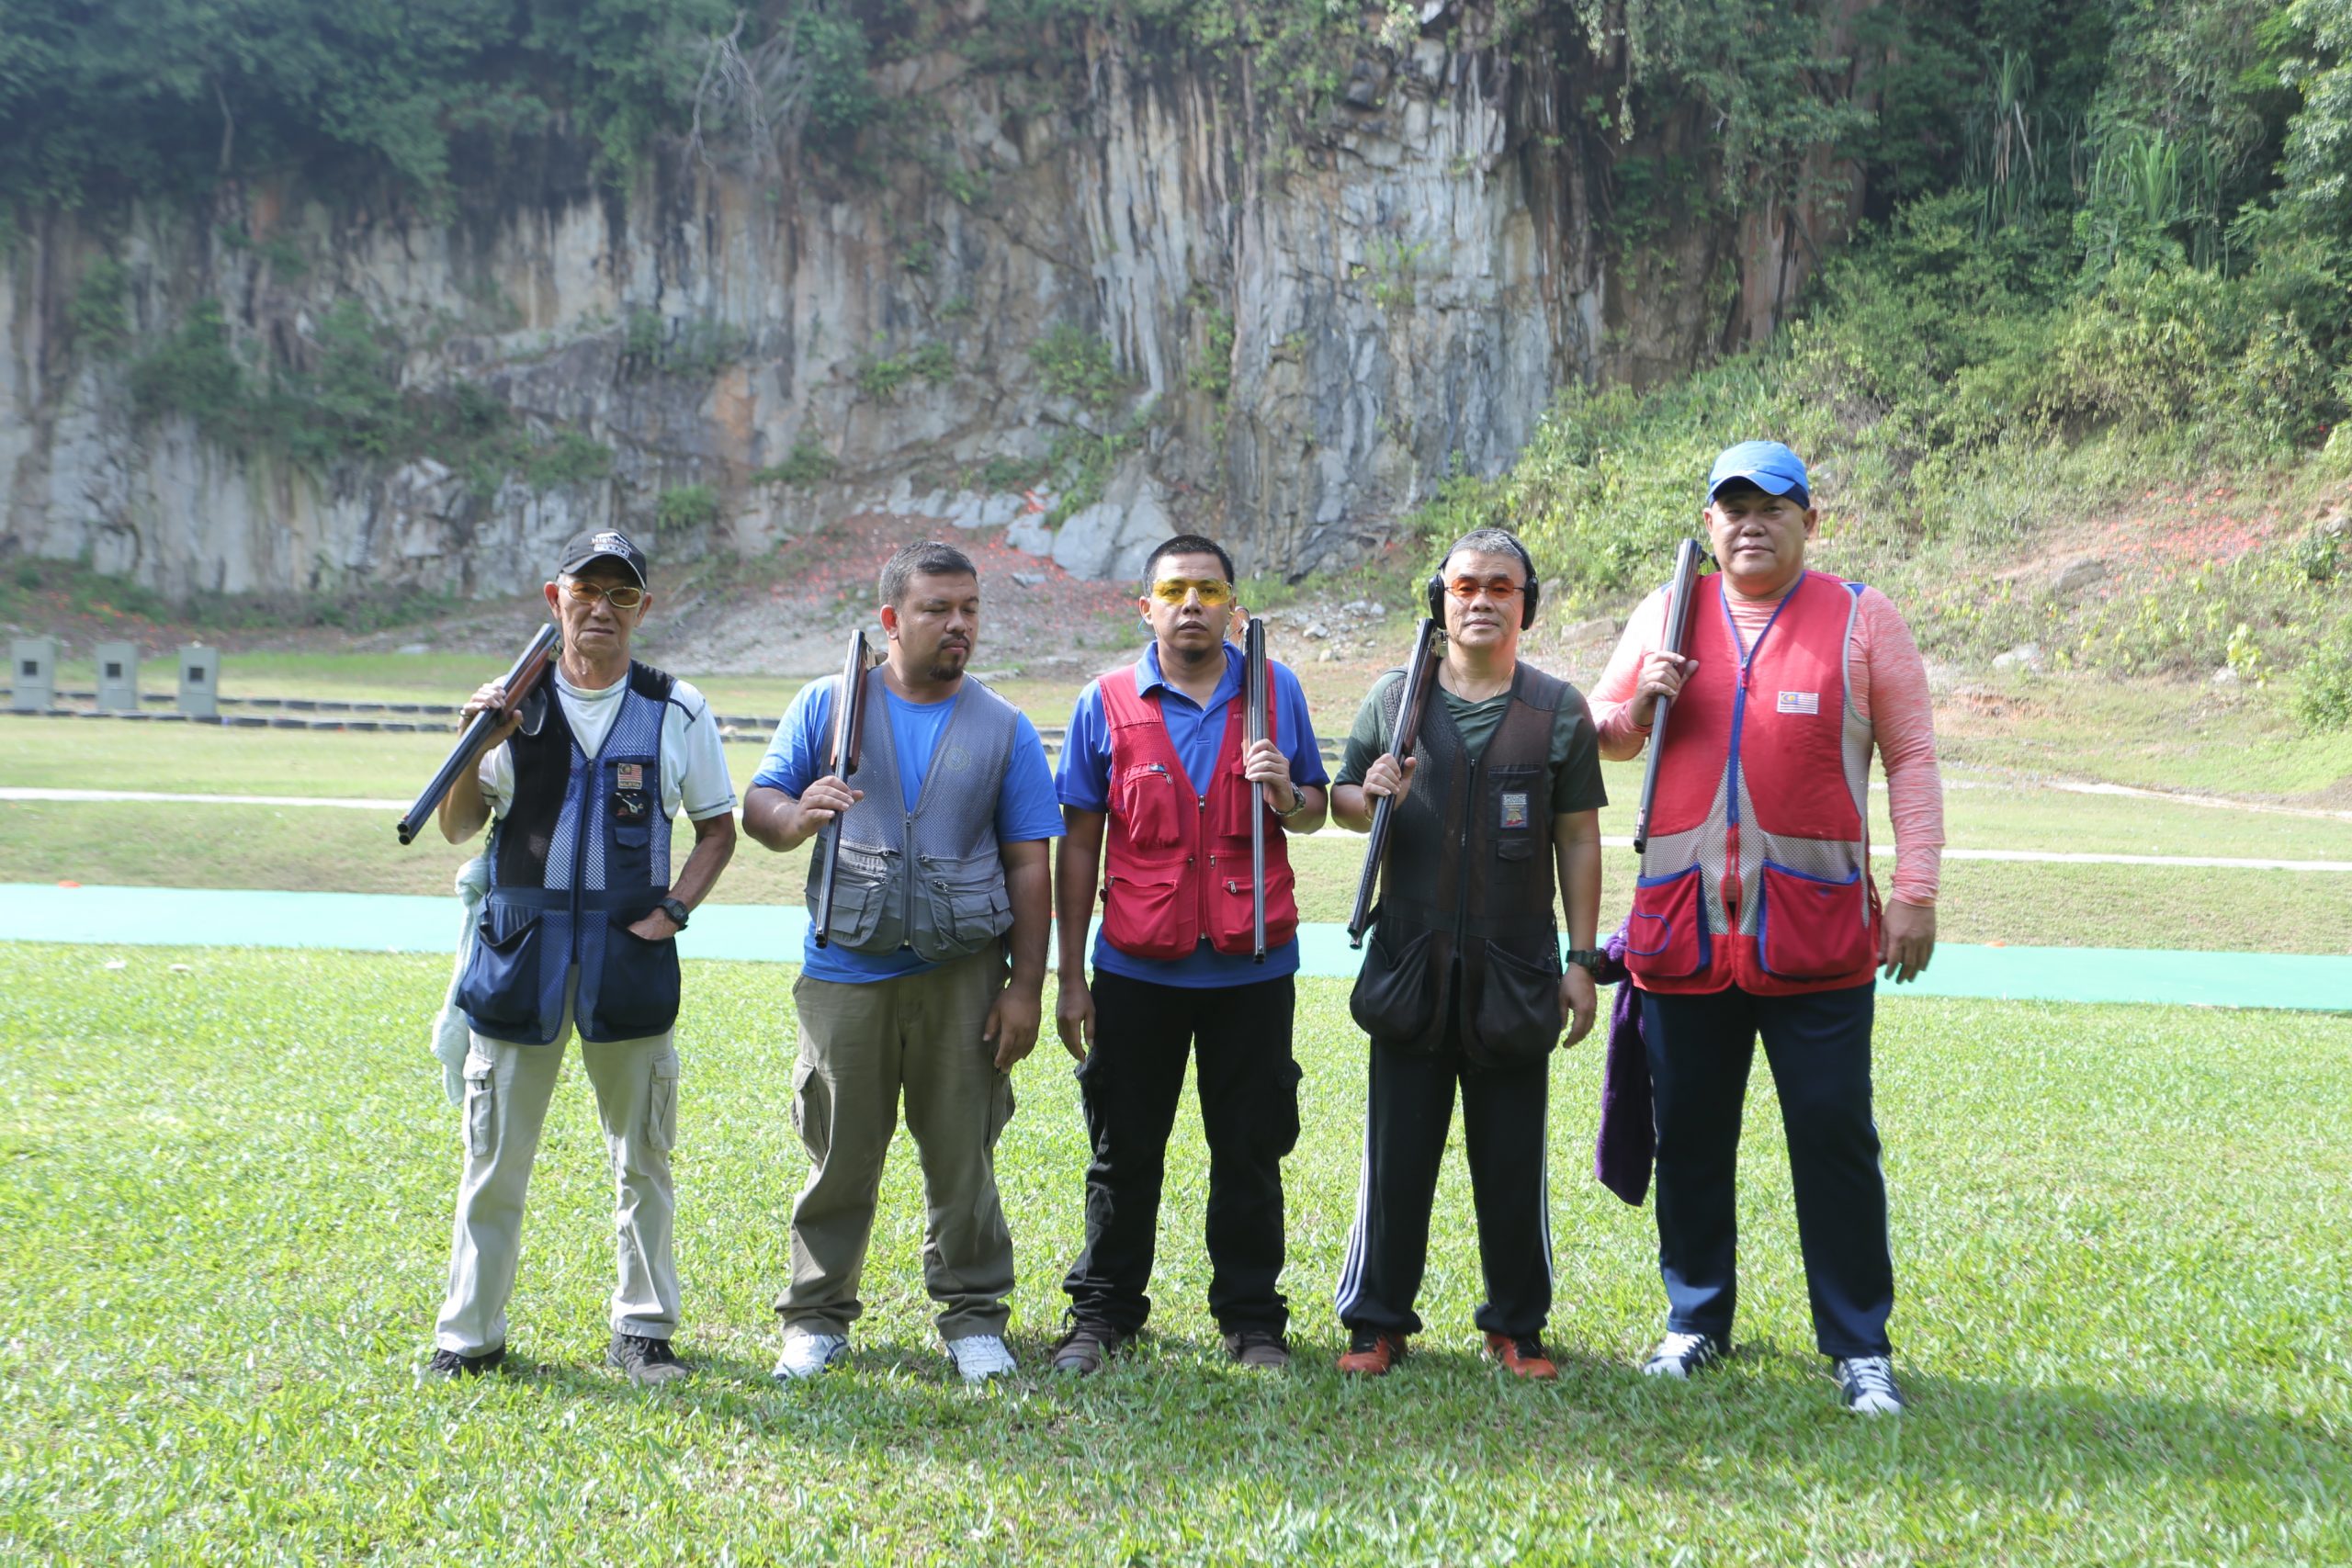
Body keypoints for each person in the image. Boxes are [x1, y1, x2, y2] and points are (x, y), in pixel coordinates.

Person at [1589, 440, 1943, 1416]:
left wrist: (1915, 889)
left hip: (1816, 934)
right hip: (1683, 930)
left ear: (1808, 522)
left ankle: (1858, 1345)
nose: (1751, 524)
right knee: (1689, 1137)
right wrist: (1637, 704)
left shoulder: (1862, 617)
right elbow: (1599, 731)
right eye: (1733, 508)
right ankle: (1695, 1318)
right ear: (1708, 523)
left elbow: (1911, 757)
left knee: (1834, 1138)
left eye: (1772, 507)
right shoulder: (1665, 611)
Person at [743, 540, 1061, 1384]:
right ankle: (816, 1317)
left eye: (970, 609)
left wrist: (1026, 986)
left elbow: (1030, 862)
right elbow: (760, 804)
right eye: (937, 609)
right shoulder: (828, 704)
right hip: (847, 972)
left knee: (963, 1156)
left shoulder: (1004, 727)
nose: (959, 625)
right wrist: (795, 816)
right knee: (839, 1155)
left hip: (963, 976)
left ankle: (974, 1318)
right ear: (891, 619)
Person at [427, 528, 739, 1385]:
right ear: (554, 598)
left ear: (643, 607)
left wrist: (675, 909)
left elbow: (718, 829)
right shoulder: (511, 703)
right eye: (586, 589)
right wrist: (476, 739)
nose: (602, 607)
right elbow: (457, 823)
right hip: (518, 957)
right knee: (493, 1160)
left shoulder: (677, 708)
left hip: (627, 959)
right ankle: (470, 1335)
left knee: (644, 1158)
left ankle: (643, 1328)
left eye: (621, 593)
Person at [1046, 536, 1330, 1374]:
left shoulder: (1275, 689)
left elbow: (1315, 808)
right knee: (1122, 1150)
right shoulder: (1104, 700)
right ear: (1147, 608)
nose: (1193, 604)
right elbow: (1078, 846)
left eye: (1210, 589)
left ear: (1234, 605)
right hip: (1136, 971)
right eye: (1174, 590)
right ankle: (1102, 1314)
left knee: (1250, 1150)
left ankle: (1252, 1320)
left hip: (1253, 968)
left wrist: (1286, 790)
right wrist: (1071, 977)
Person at [1329, 527, 1606, 1380]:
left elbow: (1578, 838)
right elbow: (1341, 799)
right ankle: (1377, 1323)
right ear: (1440, 599)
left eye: (1500, 587)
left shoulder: (1559, 710)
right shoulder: (1395, 698)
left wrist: (1582, 960)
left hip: (1517, 969)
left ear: (1527, 604)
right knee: (1395, 1159)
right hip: (1409, 963)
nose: (1481, 600)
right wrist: (1369, 792)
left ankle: (1516, 1326)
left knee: (1514, 1160)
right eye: (1464, 586)